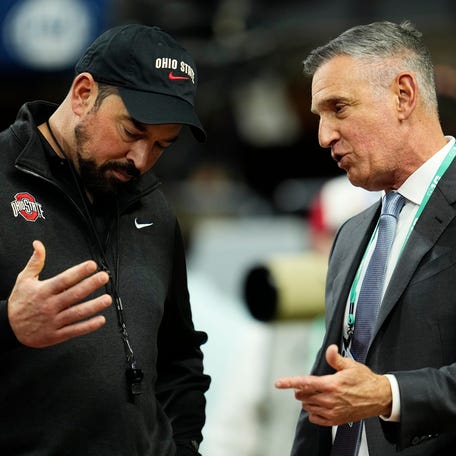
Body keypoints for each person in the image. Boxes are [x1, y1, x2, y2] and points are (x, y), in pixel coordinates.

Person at [0, 23, 210, 455]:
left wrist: (185, 446)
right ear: (82, 94)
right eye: (132, 132)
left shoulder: (153, 208)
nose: (140, 159)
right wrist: (8, 325)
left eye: (162, 145)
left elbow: (180, 359)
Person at [275, 20, 456, 455]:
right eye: (319, 116)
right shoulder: (352, 233)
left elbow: (373, 391)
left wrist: (390, 395)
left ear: (403, 96)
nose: (324, 136)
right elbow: (326, 391)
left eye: (338, 108)